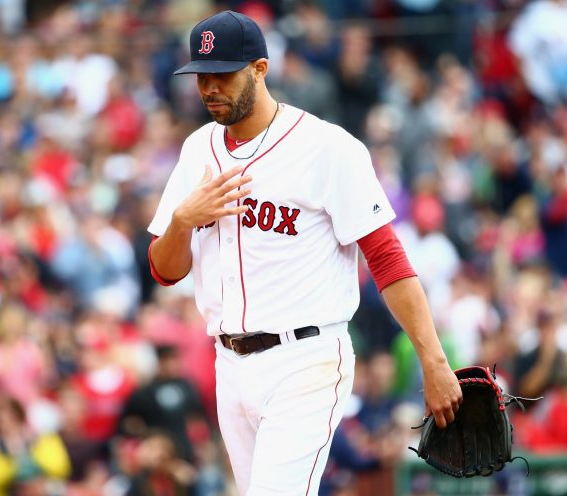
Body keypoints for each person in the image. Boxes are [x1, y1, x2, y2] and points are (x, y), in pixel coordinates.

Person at [147, 10, 462, 495]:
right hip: (228, 363)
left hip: (305, 359)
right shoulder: (197, 151)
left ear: (259, 69)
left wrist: (434, 361)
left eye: (223, 74)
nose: (210, 87)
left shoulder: (326, 148)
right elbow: (166, 272)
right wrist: (182, 220)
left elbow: (387, 259)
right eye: (201, 76)